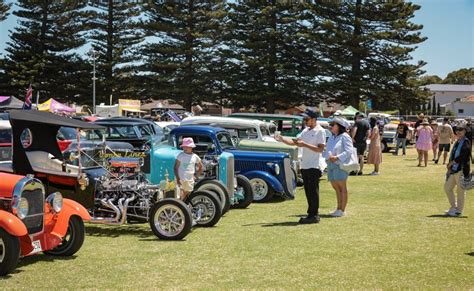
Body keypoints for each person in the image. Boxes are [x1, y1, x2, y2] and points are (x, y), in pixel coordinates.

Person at [276, 109, 326, 224]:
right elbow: (295, 142)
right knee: (308, 191)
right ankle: (311, 214)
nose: (305, 121)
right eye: (304, 119)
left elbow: (320, 149)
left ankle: (314, 215)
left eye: (307, 119)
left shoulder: (320, 131)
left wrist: (304, 145)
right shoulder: (306, 130)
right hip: (305, 165)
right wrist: (282, 139)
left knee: (313, 191)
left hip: (314, 165)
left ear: (314, 119)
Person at [324, 117, 353, 217]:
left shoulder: (345, 136)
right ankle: (338, 208)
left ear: (340, 126)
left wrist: (337, 157)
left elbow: (349, 151)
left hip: (339, 164)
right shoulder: (332, 137)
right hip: (331, 164)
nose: (331, 126)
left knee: (342, 187)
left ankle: (342, 210)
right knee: (336, 187)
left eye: (333, 124)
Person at [444, 124, 472, 217]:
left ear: (465, 131)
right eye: (457, 130)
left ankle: (459, 211)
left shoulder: (466, 142)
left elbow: (464, 155)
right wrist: (449, 166)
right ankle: (453, 207)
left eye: (461, 130)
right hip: (454, 170)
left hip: (462, 169)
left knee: (460, 191)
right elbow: (453, 154)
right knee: (447, 188)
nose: (458, 132)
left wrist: (452, 163)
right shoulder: (457, 141)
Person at [174, 137, 203, 201]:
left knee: (188, 193)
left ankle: (183, 205)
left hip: (190, 179)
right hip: (181, 179)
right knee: (179, 194)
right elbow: (176, 168)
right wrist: (178, 178)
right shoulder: (180, 155)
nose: (185, 148)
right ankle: (180, 206)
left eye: (187, 147)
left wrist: (196, 176)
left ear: (191, 147)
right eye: (184, 147)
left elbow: (200, 166)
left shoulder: (195, 156)